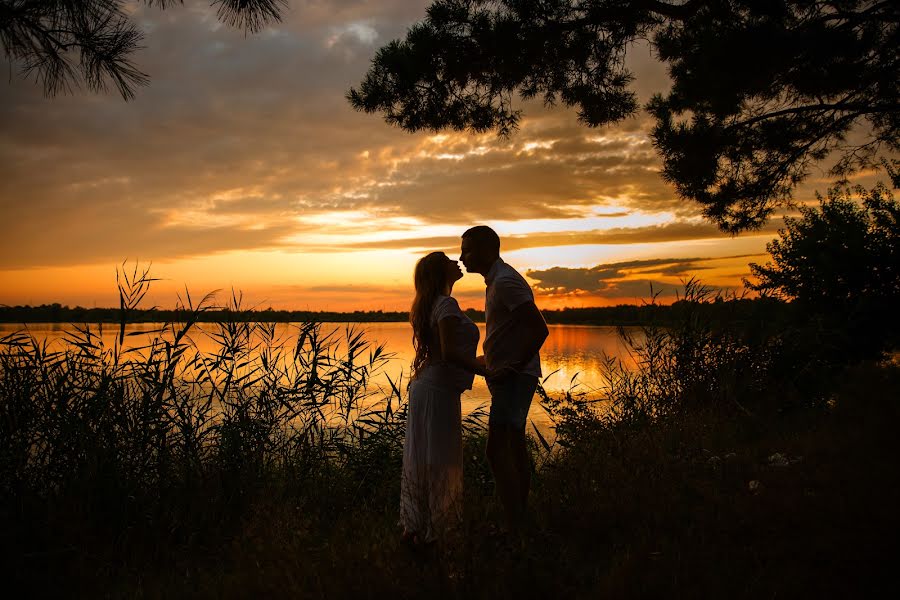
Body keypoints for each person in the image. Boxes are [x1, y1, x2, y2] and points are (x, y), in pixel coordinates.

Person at [460, 226, 549, 533]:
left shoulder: (507, 281)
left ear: (486, 250)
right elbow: (507, 335)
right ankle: (518, 517)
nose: (461, 257)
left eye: (467, 250)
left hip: (515, 377)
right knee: (511, 445)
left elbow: (539, 329)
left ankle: (514, 522)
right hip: (507, 376)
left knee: (498, 450)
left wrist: (512, 368)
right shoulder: (496, 281)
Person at [401, 251, 485, 544]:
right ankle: (438, 532)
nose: (457, 261)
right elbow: (449, 354)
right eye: (449, 259)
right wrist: (486, 370)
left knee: (424, 455)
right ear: (440, 272)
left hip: (427, 385)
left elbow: (442, 352)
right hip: (437, 390)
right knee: (440, 457)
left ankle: (418, 528)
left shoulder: (430, 304)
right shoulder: (446, 304)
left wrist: (480, 363)